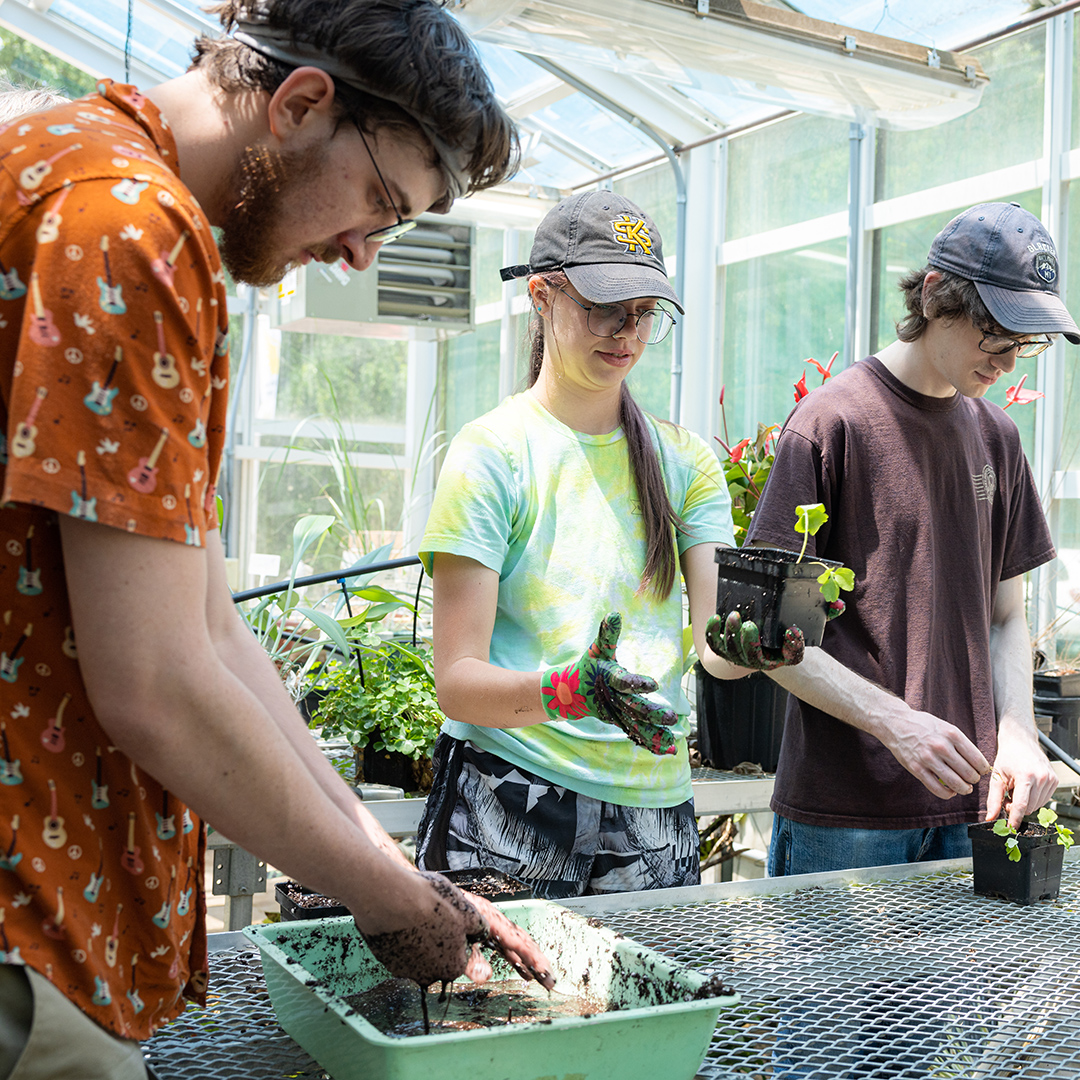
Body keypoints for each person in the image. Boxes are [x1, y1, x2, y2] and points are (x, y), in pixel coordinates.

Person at [0, 2, 553, 1075]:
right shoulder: (129, 227)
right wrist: (391, 902)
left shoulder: (74, 171)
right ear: (301, 105)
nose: (361, 253)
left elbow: (210, 628)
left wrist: (380, 858)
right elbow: (156, 683)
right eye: (380, 205)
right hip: (25, 926)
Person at [414, 191, 802, 900]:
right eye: (603, 307)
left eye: (644, 313)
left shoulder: (685, 462)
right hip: (509, 797)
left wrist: (752, 646)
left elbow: (712, 646)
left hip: (654, 812)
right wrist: (569, 691)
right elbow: (457, 680)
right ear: (542, 295)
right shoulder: (493, 454)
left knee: (645, 1011)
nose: (626, 332)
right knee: (496, 1011)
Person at [716, 201, 1077, 876]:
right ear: (937, 295)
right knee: (826, 990)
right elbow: (766, 638)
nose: (1006, 361)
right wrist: (894, 722)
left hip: (973, 809)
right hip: (847, 817)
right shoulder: (831, 424)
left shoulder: (997, 438)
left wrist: (1019, 732)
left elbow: (1005, 615)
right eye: (994, 336)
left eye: (1023, 344)